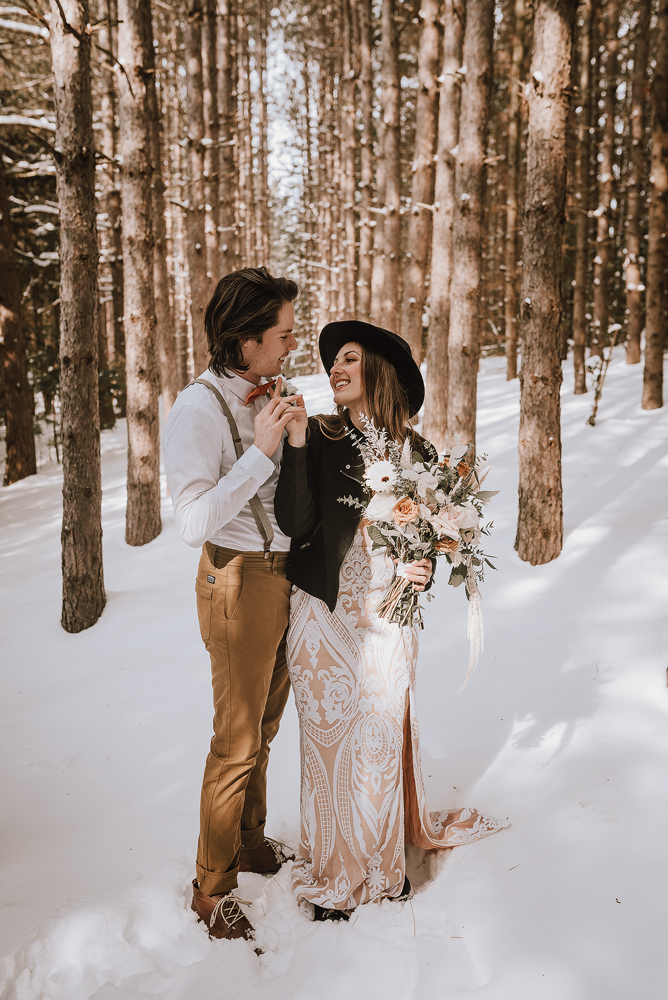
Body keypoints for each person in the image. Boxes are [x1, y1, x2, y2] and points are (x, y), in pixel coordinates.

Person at [275, 320, 508, 920]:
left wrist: (428, 564)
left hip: (387, 612)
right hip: (322, 610)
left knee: (379, 734)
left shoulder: (422, 454)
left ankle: (380, 870)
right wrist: (297, 442)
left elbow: (432, 533)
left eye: (349, 358)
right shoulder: (322, 434)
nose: (335, 369)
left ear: (380, 370)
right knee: (327, 743)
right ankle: (333, 872)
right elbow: (296, 523)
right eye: (333, 362)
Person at [163, 267, 308, 943]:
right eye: (281, 334)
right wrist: (260, 450)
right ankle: (210, 887)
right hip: (235, 578)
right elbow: (193, 523)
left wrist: (296, 440)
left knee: (267, 726)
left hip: (281, 574)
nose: (291, 343)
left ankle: (250, 841)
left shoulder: (268, 389)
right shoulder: (195, 409)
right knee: (237, 741)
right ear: (245, 340)